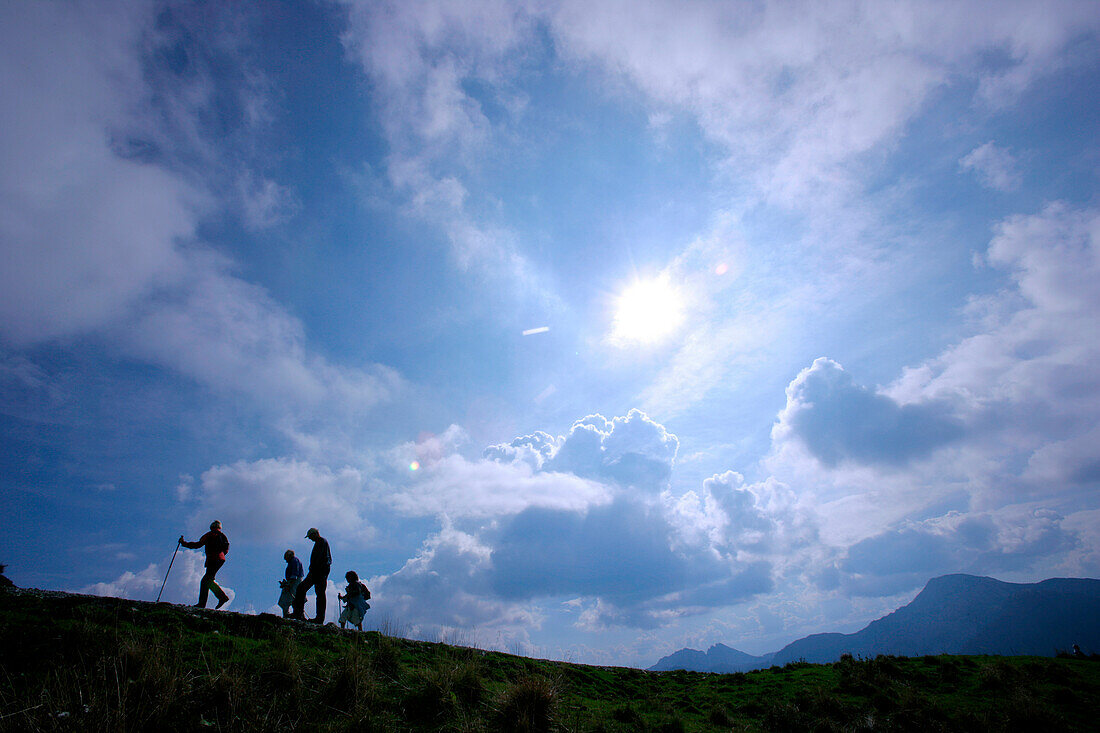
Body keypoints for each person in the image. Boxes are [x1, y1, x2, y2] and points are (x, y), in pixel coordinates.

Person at [180, 520, 230, 609]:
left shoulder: (209, 535)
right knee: (207, 580)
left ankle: (213, 600)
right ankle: (220, 598)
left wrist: (184, 543)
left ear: (211, 527)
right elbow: (226, 549)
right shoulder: (222, 536)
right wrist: (221, 554)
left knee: (205, 581)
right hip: (220, 559)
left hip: (212, 559)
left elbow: (198, 545)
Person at [292, 527, 331, 623]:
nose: (310, 539)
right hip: (318, 572)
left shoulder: (321, 542)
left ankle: (304, 615)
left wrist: (314, 569)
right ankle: (302, 614)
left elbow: (321, 559)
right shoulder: (320, 542)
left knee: (313, 592)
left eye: (310, 536)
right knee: (317, 594)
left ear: (315, 534)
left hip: (318, 572)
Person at [277, 549, 304, 618]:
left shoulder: (294, 561)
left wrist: (288, 583)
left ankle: (298, 614)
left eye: (286, 558)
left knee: (293, 597)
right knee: (290, 598)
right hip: (292, 582)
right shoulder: (292, 562)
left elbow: (294, 575)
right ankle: (291, 614)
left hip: (295, 582)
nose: (286, 560)